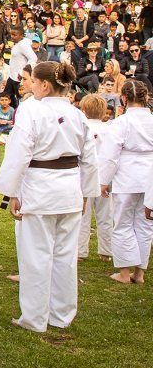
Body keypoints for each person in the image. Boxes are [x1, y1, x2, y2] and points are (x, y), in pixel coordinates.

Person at [0, 62, 98, 333]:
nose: (29, 86)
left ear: (44, 84)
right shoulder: (77, 114)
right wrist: (86, 192)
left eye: (32, 82)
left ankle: (34, 318)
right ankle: (62, 315)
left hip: (40, 188)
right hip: (68, 189)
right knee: (65, 255)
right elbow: (90, 158)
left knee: (36, 255)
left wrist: (12, 192)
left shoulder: (33, 112)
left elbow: (18, 155)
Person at [99, 80, 153, 285]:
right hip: (149, 176)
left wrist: (104, 180)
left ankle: (124, 273)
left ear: (124, 98)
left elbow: (110, 155)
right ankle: (139, 273)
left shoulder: (121, 122)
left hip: (127, 176)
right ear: (145, 97)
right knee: (145, 224)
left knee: (122, 223)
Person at [78, 94, 113, 261]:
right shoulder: (109, 129)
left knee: (83, 216)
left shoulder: (82, 127)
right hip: (105, 177)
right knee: (106, 215)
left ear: (83, 111)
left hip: (85, 176)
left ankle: (80, 251)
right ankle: (106, 251)